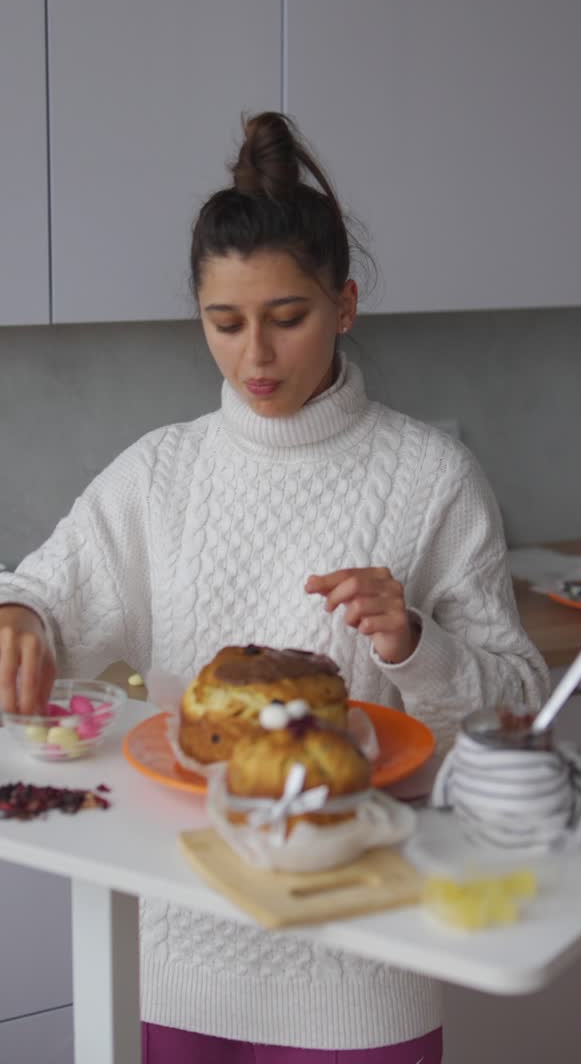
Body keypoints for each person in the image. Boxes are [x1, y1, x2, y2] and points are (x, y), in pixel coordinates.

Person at [0, 112, 549, 1063]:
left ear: (345, 303)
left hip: (365, 954)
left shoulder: (433, 476)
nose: (255, 357)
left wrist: (415, 642)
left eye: (286, 319)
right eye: (226, 323)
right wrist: (22, 613)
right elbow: (49, 593)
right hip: (177, 943)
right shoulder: (159, 473)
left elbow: (522, 704)